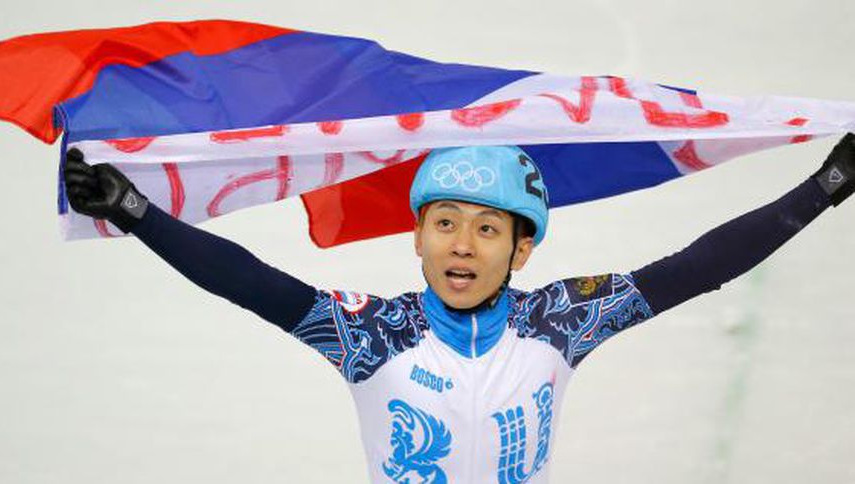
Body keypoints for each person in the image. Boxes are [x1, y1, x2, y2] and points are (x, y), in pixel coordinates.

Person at [63, 137, 855, 484]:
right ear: (418, 238)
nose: (463, 245)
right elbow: (249, 281)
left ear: (521, 250)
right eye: (445, 224)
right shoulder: (370, 334)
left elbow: (697, 269)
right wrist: (135, 212)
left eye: (487, 229)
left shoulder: (561, 322)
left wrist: (825, 187)